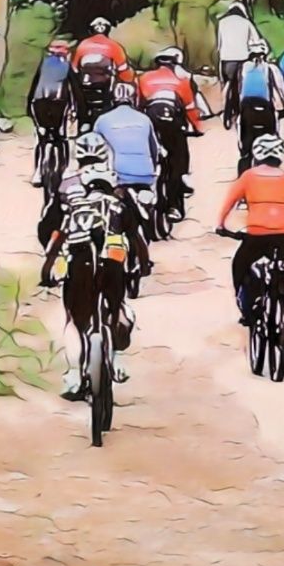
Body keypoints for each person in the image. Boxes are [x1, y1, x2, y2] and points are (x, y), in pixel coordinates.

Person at [40, 160, 131, 397]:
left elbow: (57, 239)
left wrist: (47, 269)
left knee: (74, 322)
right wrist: (140, 266)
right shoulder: (119, 206)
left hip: (79, 266)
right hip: (112, 267)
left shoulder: (76, 207)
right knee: (118, 309)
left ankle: (73, 375)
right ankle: (118, 358)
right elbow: (136, 240)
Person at [216, 134, 284, 343]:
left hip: (256, 236)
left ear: (256, 155)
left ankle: (247, 310)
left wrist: (221, 225)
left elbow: (229, 203)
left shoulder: (248, 177)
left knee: (240, 266)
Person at [94, 81, 157, 277]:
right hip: (144, 175)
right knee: (144, 214)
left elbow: (95, 150)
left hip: (116, 178)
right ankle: (145, 252)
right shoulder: (144, 119)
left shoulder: (102, 120)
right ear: (133, 99)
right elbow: (154, 149)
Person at [138, 47, 201, 222]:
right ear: (174, 64)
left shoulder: (143, 78)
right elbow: (190, 108)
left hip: (151, 123)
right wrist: (197, 128)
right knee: (178, 158)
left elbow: (139, 104)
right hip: (173, 124)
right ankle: (175, 205)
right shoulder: (181, 81)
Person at [27, 40, 86, 186]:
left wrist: (29, 108)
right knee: (62, 137)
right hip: (59, 104)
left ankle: (38, 172)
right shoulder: (67, 66)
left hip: (39, 104)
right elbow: (76, 91)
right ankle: (65, 170)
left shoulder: (43, 65)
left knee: (41, 138)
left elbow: (34, 86)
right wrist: (81, 112)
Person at [73, 17, 135, 129]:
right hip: (104, 87)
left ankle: (83, 121)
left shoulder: (83, 45)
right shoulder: (114, 46)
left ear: (91, 30)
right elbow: (123, 70)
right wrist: (129, 81)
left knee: (80, 104)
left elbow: (74, 68)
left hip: (84, 86)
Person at [237, 40, 284, 175]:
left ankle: (243, 176)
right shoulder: (271, 68)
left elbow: (236, 91)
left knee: (245, 150)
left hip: (246, 111)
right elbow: (281, 89)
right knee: (272, 139)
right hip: (266, 110)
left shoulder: (242, 68)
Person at [216, 1, 263, 129]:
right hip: (242, 59)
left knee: (227, 84)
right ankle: (239, 111)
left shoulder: (222, 22)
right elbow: (256, 40)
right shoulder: (246, 22)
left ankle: (225, 111)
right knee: (241, 86)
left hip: (226, 59)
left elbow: (218, 44)